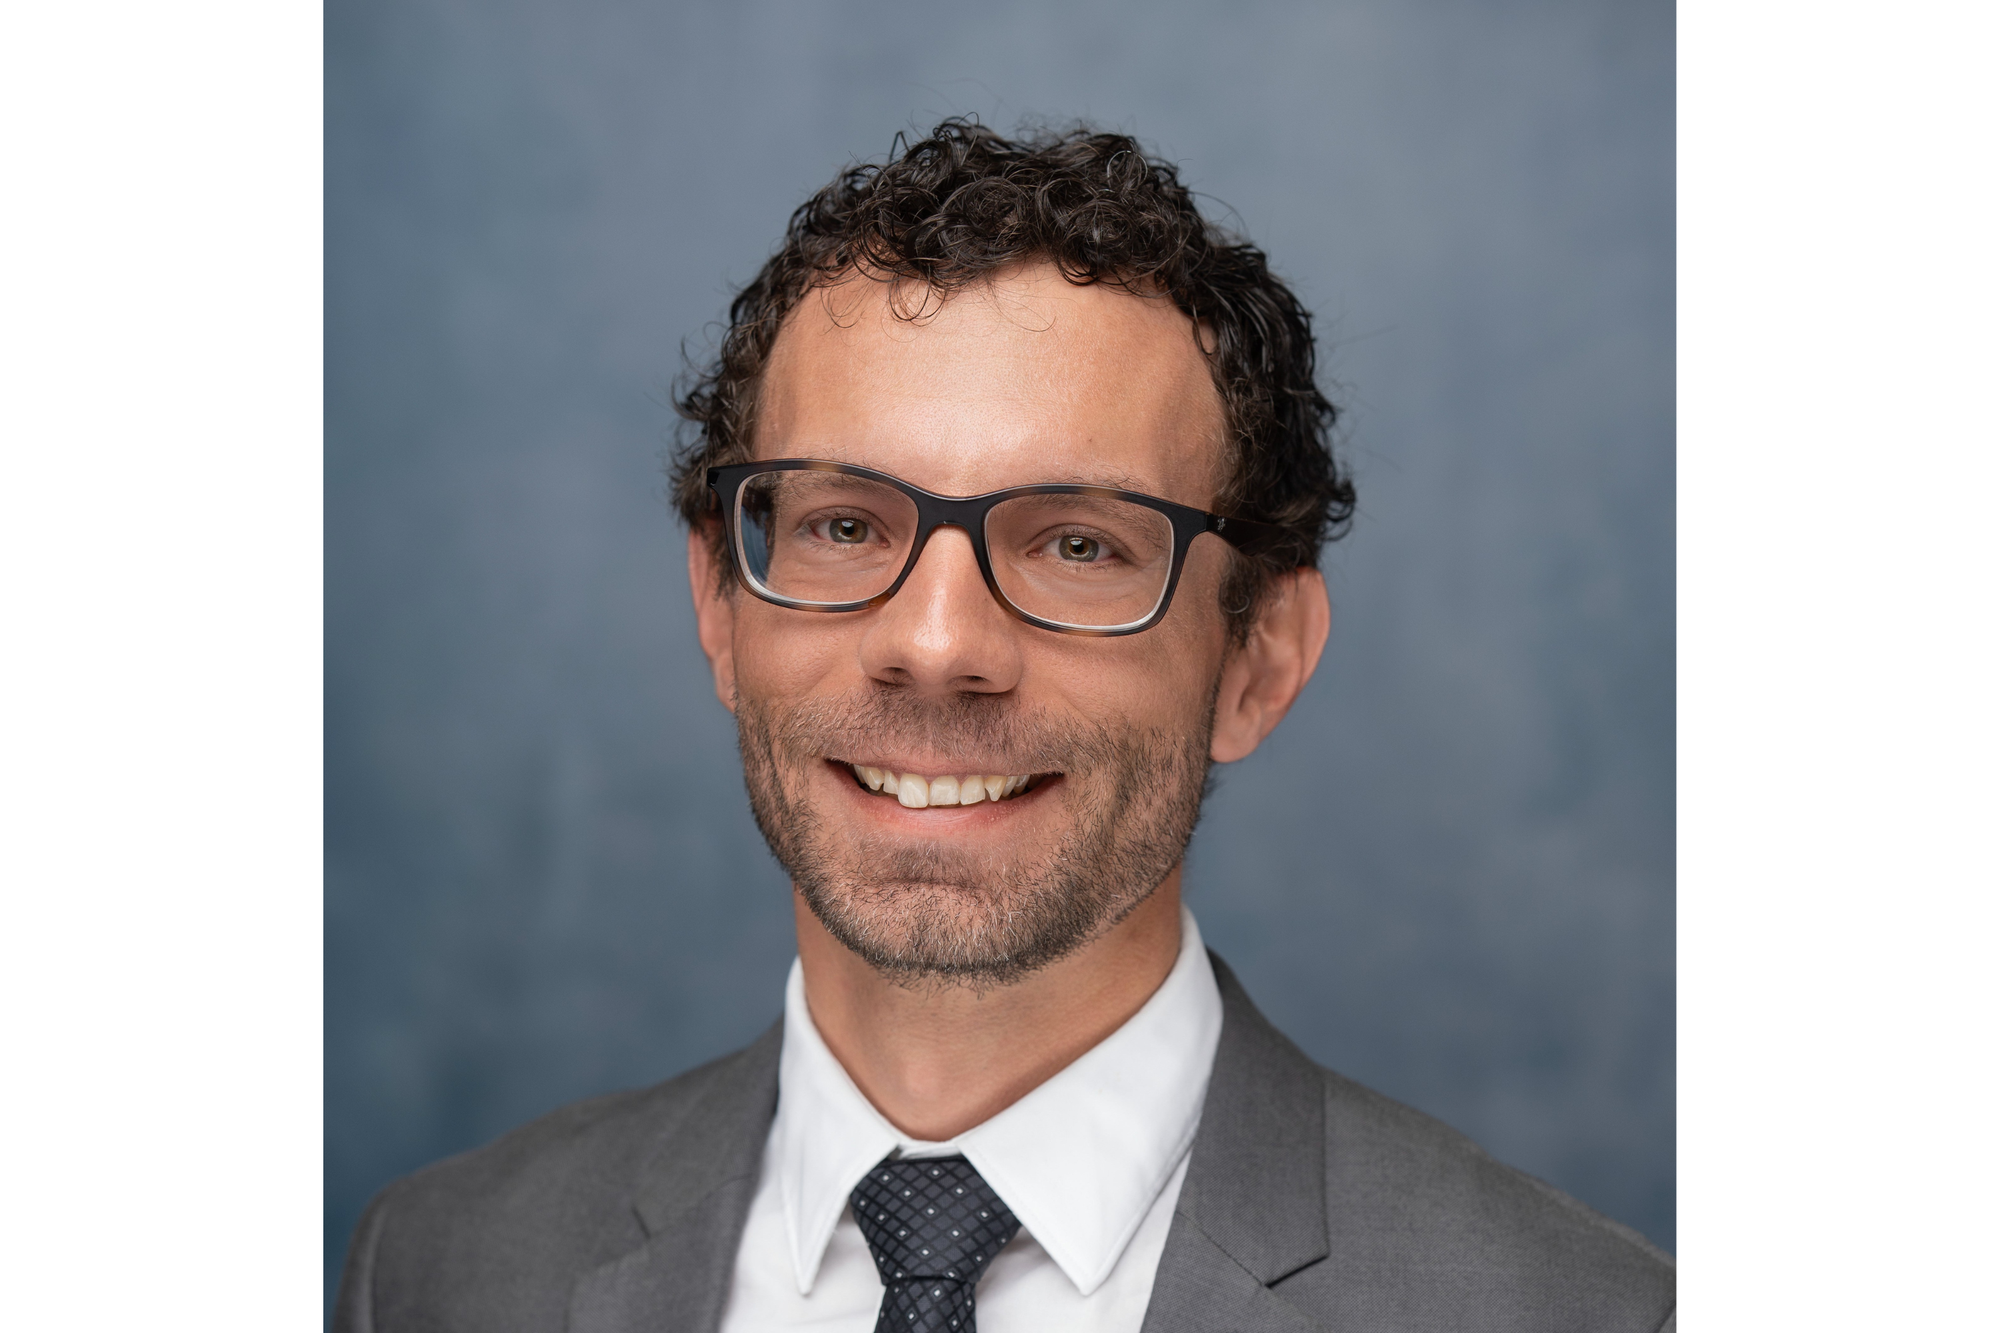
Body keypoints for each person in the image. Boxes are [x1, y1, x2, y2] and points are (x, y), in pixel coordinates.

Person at [334, 119, 1674, 1333]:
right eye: (845, 524)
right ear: (719, 606)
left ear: (1259, 660)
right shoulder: (446, 1273)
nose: (936, 646)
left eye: (1078, 545)